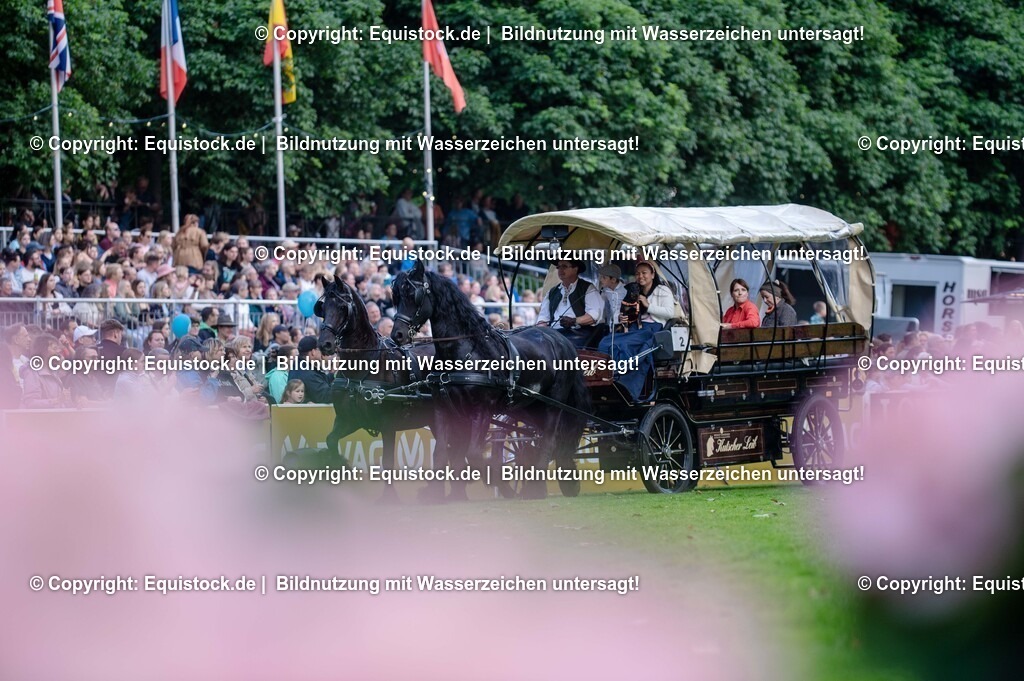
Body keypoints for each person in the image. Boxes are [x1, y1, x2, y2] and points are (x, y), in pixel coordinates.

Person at [598, 262, 675, 402]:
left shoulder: (662, 290)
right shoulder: (633, 290)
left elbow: (670, 313)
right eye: (638, 273)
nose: (640, 276)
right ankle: (609, 377)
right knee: (606, 341)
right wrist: (624, 318)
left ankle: (626, 384)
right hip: (634, 328)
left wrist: (648, 305)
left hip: (652, 329)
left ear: (652, 274)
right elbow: (628, 310)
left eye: (644, 273)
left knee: (626, 344)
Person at [535, 259, 603, 349]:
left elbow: (593, 316)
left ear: (575, 269)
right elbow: (543, 318)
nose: (560, 270)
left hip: (577, 334)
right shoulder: (552, 292)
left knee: (558, 347)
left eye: (564, 266)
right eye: (558, 267)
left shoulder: (587, 288)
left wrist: (574, 321)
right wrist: (540, 330)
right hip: (554, 333)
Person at [289, 336, 332, 404]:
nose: (322, 353)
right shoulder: (308, 373)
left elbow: (320, 381)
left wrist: (332, 372)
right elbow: (326, 396)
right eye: (320, 350)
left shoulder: (298, 365)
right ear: (313, 352)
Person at [597, 264, 627, 330]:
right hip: (611, 325)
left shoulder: (626, 290)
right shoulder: (604, 291)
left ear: (613, 280)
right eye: (601, 277)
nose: (601, 280)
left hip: (624, 325)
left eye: (604, 277)